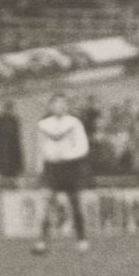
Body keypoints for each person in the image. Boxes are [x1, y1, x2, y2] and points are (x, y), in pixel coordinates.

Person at [33, 93, 91, 255]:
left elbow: (83, 146)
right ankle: (42, 242)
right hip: (51, 168)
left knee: (76, 203)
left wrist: (67, 155)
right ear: (51, 106)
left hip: (70, 167)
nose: (60, 107)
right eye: (56, 104)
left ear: (67, 106)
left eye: (63, 104)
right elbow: (39, 148)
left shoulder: (74, 123)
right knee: (45, 203)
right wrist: (39, 168)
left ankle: (81, 240)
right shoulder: (43, 125)